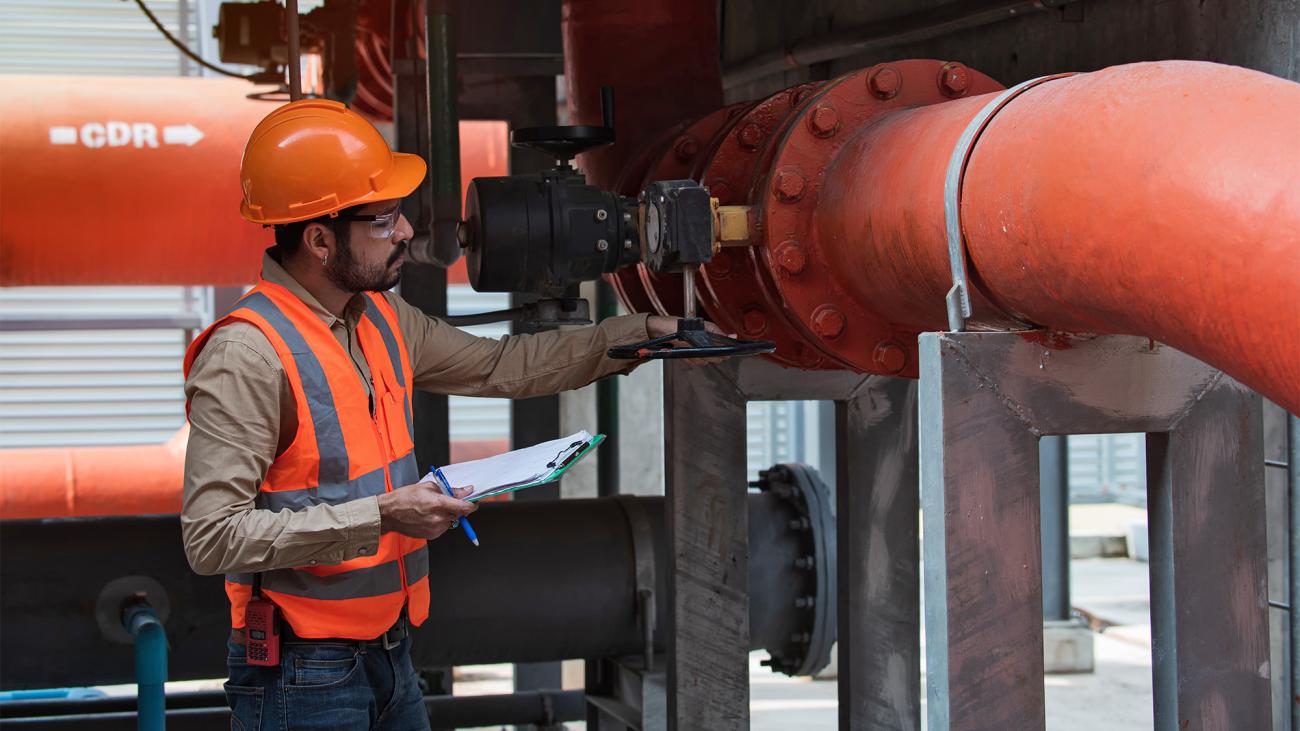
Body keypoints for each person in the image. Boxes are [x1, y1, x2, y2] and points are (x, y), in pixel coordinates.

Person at [181, 99, 711, 730]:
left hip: (389, 652)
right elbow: (212, 537)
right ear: (321, 240)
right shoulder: (247, 354)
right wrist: (384, 515)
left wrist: (635, 336)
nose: (406, 231)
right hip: (302, 671)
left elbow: (500, 366)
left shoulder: (378, 317)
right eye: (382, 220)